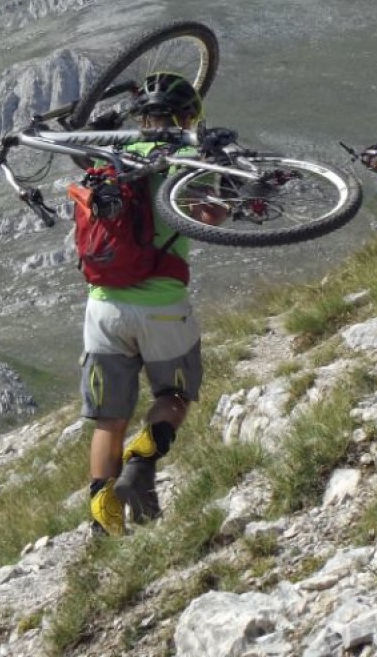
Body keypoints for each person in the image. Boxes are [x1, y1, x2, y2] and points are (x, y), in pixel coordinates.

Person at [82, 72, 225, 536]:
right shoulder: (187, 156)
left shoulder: (110, 154)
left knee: (109, 418)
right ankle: (145, 455)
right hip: (163, 302)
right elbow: (213, 217)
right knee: (174, 395)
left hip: (103, 308)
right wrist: (215, 164)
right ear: (187, 116)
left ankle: (104, 521)